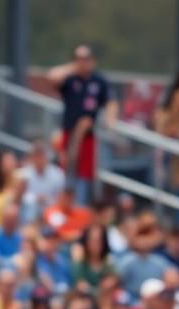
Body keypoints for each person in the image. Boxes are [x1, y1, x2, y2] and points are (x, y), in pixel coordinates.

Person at [47, 45, 115, 204]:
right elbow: (52, 76)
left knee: (83, 178)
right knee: (65, 172)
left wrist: (110, 121)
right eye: (79, 59)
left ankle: (80, 208)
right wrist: (74, 66)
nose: (82, 63)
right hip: (68, 134)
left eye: (85, 59)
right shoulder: (71, 79)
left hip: (87, 137)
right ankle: (65, 206)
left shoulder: (98, 81)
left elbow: (110, 101)